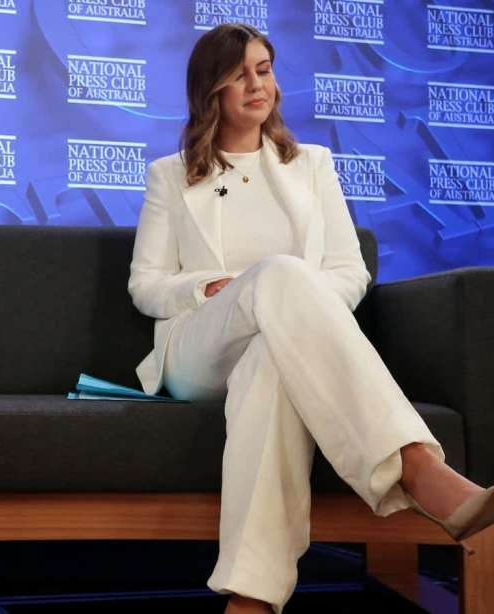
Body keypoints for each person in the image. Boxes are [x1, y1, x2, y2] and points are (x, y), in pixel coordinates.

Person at [128, 23, 494, 614]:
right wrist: (207, 287)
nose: (257, 85)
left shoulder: (313, 165)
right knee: (279, 273)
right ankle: (414, 464)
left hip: (279, 343)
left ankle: (251, 596)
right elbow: (145, 285)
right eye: (240, 74)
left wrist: (297, 306)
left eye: (265, 70)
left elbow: (349, 270)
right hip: (199, 349)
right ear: (211, 89)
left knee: (272, 362)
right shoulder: (171, 174)